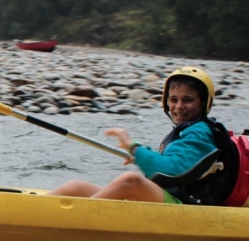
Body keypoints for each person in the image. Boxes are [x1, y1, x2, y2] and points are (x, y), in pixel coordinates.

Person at [48, 67, 236, 205]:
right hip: (174, 196)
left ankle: (73, 222)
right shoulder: (190, 130)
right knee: (75, 187)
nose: (179, 106)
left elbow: (171, 169)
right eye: (173, 99)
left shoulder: (201, 132)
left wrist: (134, 148)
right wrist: (142, 155)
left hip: (189, 207)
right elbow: (177, 161)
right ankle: (31, 214)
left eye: (188, 100)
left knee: (131, 180)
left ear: (204, 104)